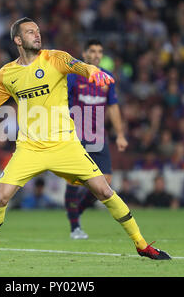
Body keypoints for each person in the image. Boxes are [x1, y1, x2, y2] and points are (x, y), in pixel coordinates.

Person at [0, 17, 170, 262]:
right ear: (18, 40)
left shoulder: (55, 58)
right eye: (30, 32)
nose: (37, 34)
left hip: (65, 145)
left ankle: (142, 245)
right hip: (30, 148)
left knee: (104, 191)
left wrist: (93, 71)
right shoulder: (7, 74)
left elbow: (80, 66)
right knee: (0, 197)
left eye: (38, 30)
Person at [64, 39, 128, 239]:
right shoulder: (74, 77)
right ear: (84, 53)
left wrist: (120, 134)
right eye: (92, 51)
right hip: (76, 136)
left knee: (105, 183)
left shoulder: (107, 78)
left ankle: (76, 212)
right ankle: (75, 227)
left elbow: (113, 107)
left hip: (98, 136)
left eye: (100, 51)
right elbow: (61, 102)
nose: (97, 54)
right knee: (75, 182)